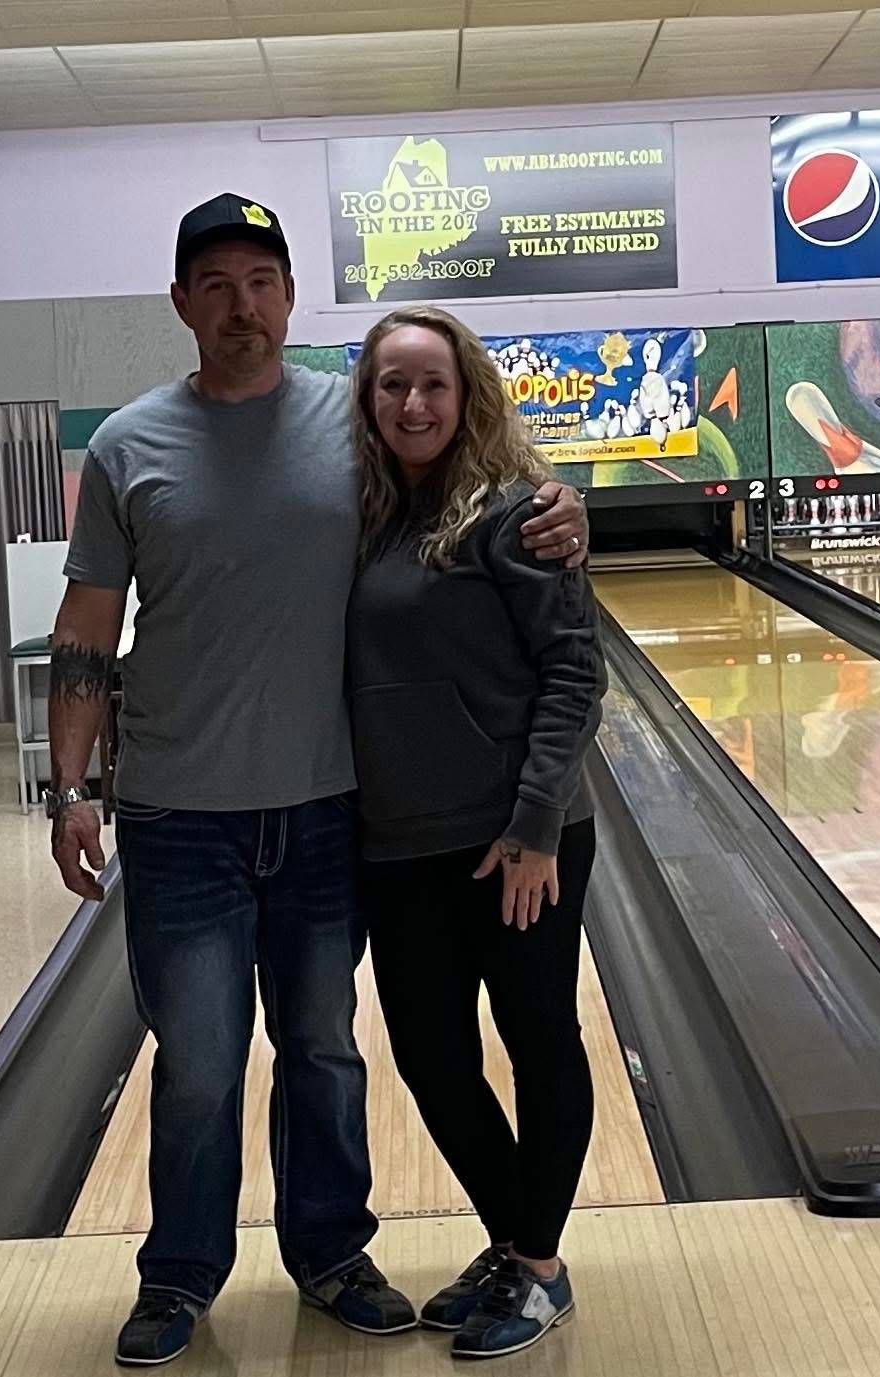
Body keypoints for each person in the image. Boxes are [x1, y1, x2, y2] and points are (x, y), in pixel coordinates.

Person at [45, 193, 590, 1368]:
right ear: (181, 302)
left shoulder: (352, 425)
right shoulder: (126, 444)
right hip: (179, 813)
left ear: (290, 297)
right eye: (215, 284)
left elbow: (473, 478)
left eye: (260, 281)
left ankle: (333, 1255)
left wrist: (561, 506)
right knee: (198, 1065)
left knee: (325, 1053)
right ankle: (179, 1275)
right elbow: (85, 624)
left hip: (326, 811)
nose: (240, 305)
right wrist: (71, 787)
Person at [347, 305, 606, 1361]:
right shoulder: (362, 517)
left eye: (433, 384)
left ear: (467, 396)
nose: (413, 403)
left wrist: (536, 824)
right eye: (392, 384)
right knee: (430, 1057)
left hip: (515, 841)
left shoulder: (515, 515)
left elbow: (574, 670)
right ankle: (517, 1240)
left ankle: (537, 1265)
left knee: (538, 1037)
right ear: (367, 398)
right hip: (398, 842)